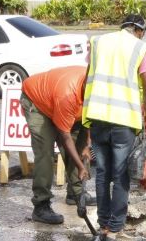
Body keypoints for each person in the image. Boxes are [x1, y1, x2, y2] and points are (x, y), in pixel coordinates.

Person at [82, 14, 146, 241]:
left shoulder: (97, 43)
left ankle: (105, 228)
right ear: (139, 30)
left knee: (103, 174)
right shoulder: (141, 48)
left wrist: (86, 129)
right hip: (123, 119)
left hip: (96, 116)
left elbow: (87, 81)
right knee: (121, 175)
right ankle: (116, 232)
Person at [21, 65, 93, 225]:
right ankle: (41, 205)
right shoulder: (68, 95)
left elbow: (90, 118)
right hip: (38, 103)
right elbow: (65, 137)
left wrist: (87, 144)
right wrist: (81, 167)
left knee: (79, 145)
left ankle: (76, 194)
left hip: (59, 100)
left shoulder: (96, 90)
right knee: (45, 153)